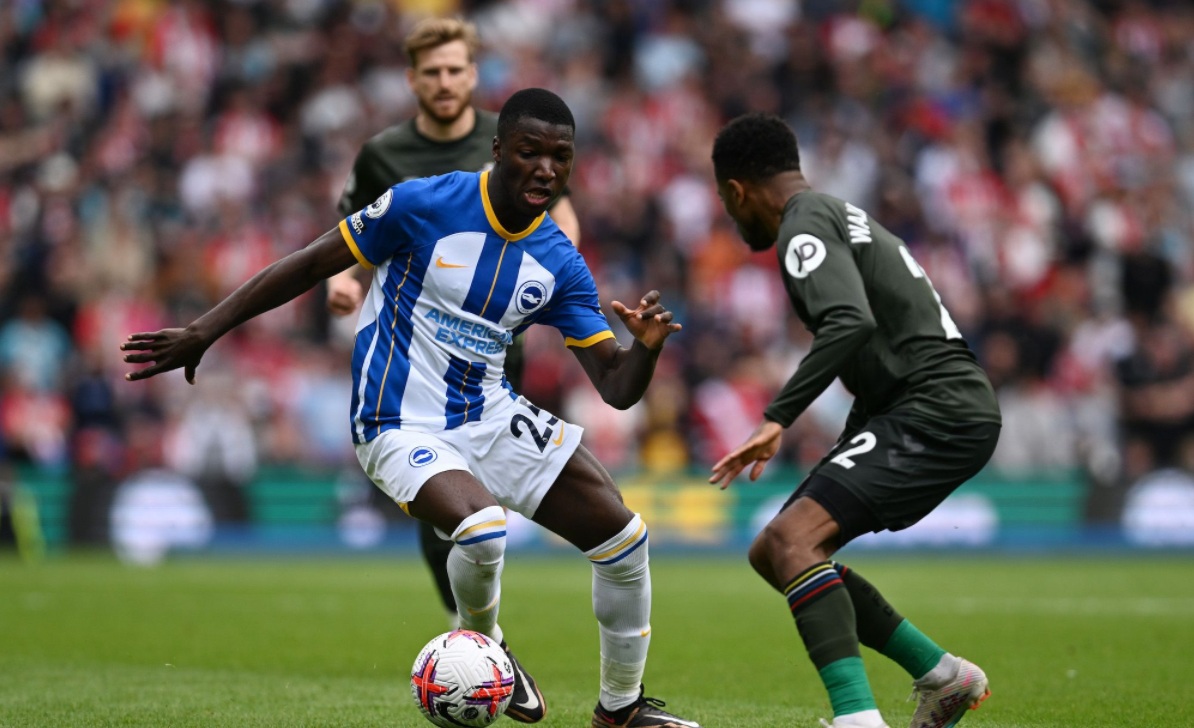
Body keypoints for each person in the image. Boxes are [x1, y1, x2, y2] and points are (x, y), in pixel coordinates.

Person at [123, 88, 700, 728]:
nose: (545, 169)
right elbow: (310, 264)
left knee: (624, 540)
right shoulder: (422, 204)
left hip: (487, 413)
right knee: (482, 529)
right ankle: (490, 651)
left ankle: (620, 710)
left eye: (559, 157)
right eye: (529, 152)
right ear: (498, 150)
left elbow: (616, 387)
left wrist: (645, 350)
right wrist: (204, 330)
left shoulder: (559, 260)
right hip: (394, 421)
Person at [707, 113, 1002, 728]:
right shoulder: (835, 214)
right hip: (920, 404)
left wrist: (777, 417)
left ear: (737, 191)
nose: (733, 217)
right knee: (773, 550)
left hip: (934, 407)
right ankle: (944, 676)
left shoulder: (803, 225)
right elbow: (879, 336)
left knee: (792, 540)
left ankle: (857, 720)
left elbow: (850, 321)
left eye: (727, 203)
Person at [329, 17, 581, 627]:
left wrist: (553, 285)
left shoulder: (512, 141)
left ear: (472, 74)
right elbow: (356, 233)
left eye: (455, 70)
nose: (444, 82)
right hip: (416, 358)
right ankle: (468, 629)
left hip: (494, 356)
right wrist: (348, 280)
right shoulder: (385, 155)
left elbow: (561, 220)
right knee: (445, 502)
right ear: (413, 80)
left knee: (486, 498)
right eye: (432, 72)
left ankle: (474, 630)